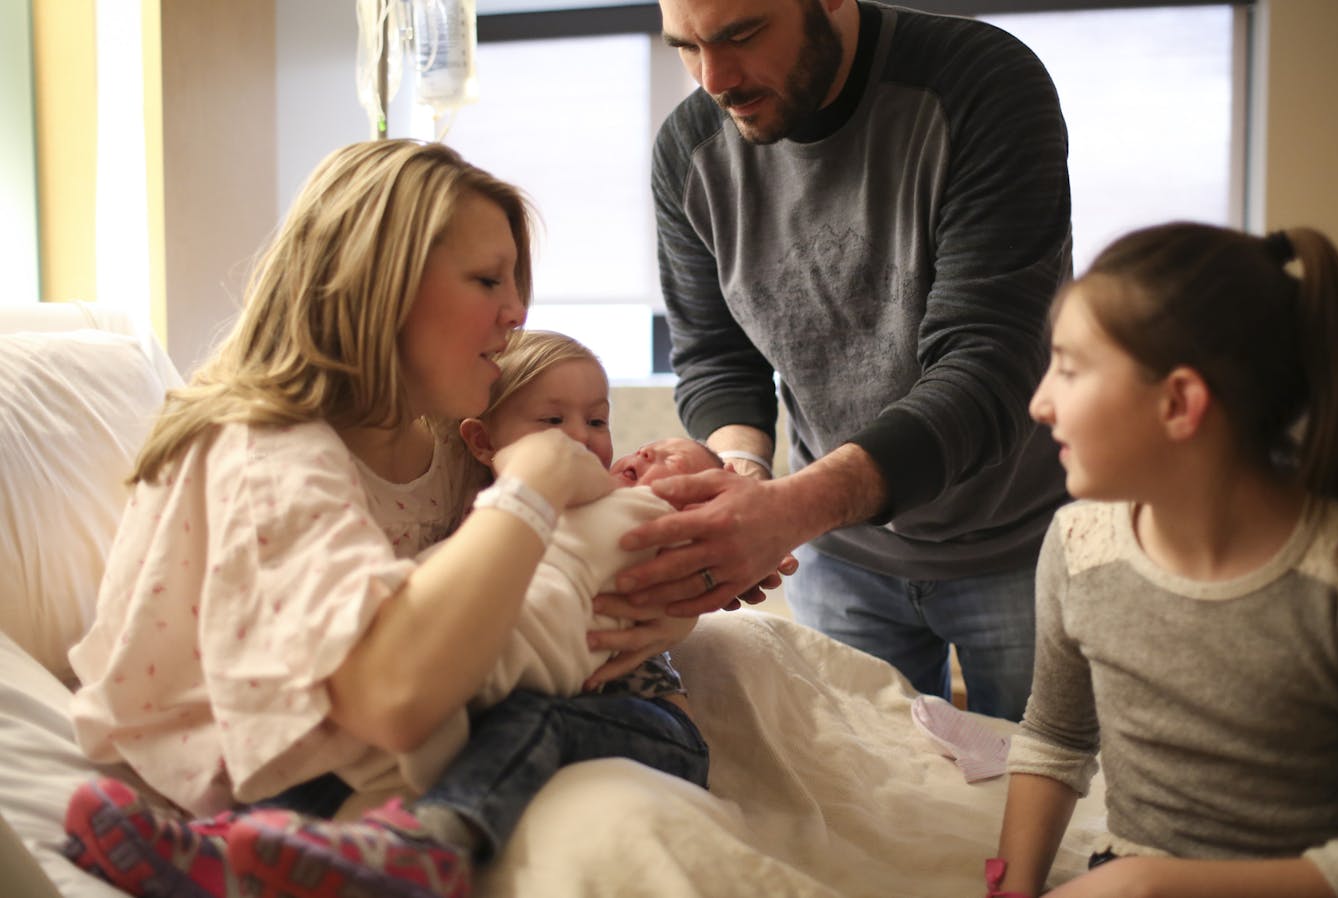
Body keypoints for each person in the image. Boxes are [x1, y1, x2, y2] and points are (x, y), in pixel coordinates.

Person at [59, 140, 706, 898]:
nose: (516, 311)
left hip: (388, 752)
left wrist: (665, 611)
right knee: (527, 723)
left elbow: (561, 561)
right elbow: (394, 700)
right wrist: (529, 489)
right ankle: (240, 850)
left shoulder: (437, 438)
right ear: (383, 283)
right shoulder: (261, 452)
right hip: (283, 770)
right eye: (488, 279)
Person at [619, 0, 1073, 721]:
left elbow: (986, 364)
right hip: (841, 558)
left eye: (741, 35)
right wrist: (744, 479)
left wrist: (787, 512)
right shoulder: (689, 150)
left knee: (1050, 809)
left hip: (1021, 546)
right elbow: (715, 355)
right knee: (878, 804)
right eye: (686, 46)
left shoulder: (981, 83)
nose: (713, 78)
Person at [989, 223, 1338, 898]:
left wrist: (1148, 886)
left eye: (1069, 370)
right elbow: (1054, 739)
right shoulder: (1079, 547)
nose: (1040, 403)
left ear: (1179, 403)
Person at [447, 328, 726, 715]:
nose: (580, 436)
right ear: (482, 441)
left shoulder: (620, 505)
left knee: (666, 722)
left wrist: (683, 616)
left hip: (621, 676)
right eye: (553, 419)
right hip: (512, 664)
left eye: (597, 421)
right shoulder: (462, 503)